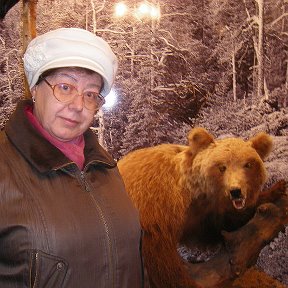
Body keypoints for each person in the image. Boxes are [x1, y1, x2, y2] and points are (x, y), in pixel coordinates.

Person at [0, 27, 144, 288]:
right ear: (34, 88)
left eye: (90, 94)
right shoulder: (5, 165)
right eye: (65, 87)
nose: (78, 105)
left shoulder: (105, 166)